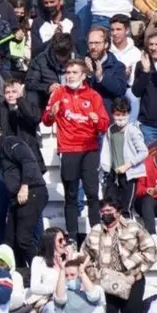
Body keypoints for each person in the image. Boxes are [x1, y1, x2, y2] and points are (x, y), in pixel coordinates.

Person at [43, 59, 109, 245]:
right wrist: (51, 114)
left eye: (74, 72)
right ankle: (71, 236)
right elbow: (46, 120)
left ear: (83, 75)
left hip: (89, 148)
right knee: (71, 194)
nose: (70, 75)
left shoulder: (93, 96)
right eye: (68, 72)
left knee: (92, 193)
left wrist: (97, 120)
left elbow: (104, 124)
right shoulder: (58, 93)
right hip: (69, 148)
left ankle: (97, 234)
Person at [83, 198, 156, 313]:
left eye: (109, 211)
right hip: (106, 282)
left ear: (118, 211)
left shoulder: (133, 227)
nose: (106, 214)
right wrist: (95, 275)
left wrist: (138, 272)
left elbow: (150, 251)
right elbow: (85, 257)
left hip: (131, 278)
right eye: (103, 212)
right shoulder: (95, 230)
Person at [0, 122, 48, 276]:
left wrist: (25, 186)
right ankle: (19, 273)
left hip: (31, 192)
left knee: (23, 238)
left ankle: (39, 273)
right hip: (17, 198)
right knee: (10, 240)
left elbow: (28, 161)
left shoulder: (10, 143)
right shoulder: (0, 151)